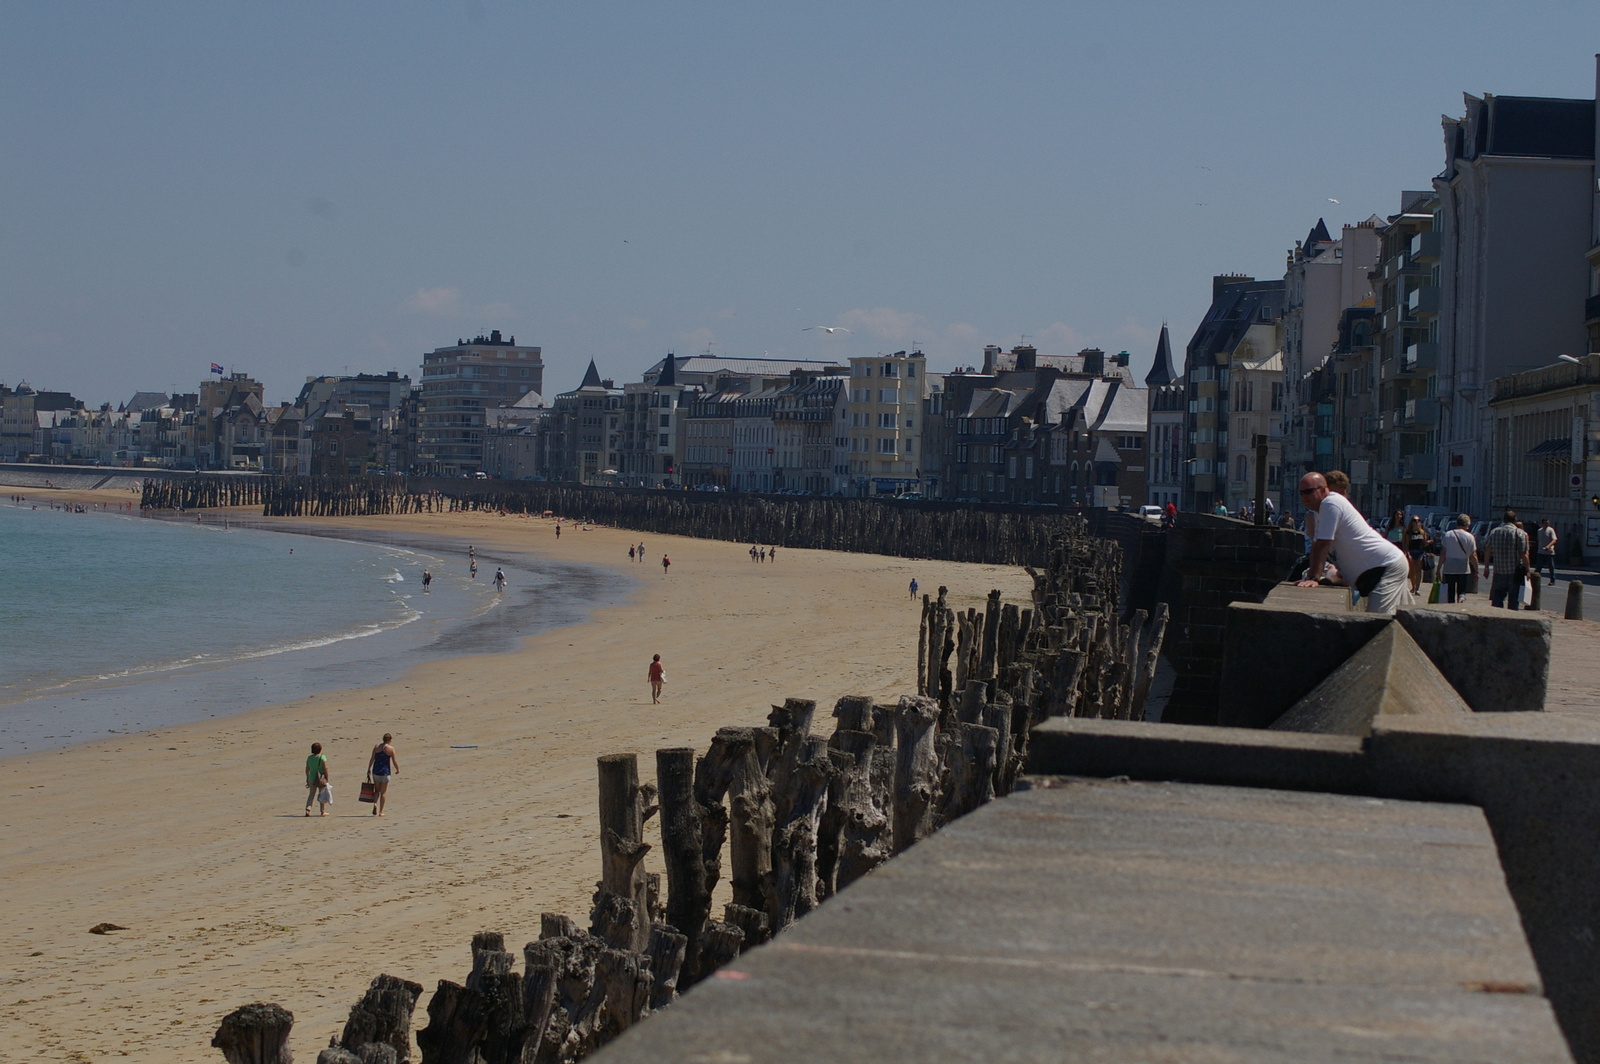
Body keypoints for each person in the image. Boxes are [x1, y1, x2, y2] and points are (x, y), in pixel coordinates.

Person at [1294, 472, 1411, 613]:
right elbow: (1323, 547)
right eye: (1301, 493)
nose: (1304, 497)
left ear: (1324, 489)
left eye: (1308, 492)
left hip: (1386, 567)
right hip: (1379, 568)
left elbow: (1322, 544)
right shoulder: (1319, 512)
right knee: (1403, 623)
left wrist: (1313, 578)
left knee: (1377, 624)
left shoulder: (1330, 503)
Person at [1483, 510, 1531, 611]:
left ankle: (1496, 618)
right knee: (1513, 598)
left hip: (1499, 570)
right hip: (1514, 571)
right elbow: (1523, 554)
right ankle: (1512, 620)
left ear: (1504, 520)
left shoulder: (1494, 531)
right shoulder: (1520, 533)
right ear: (1515, 520)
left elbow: (1487, 549)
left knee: (1498, 596)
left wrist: (1486, 567)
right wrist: (1528, 570)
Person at [1439, 514, 1479, 604]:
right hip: (1463, 566)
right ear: (1467, 524)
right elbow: (1473, 555)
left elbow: (1443, 553)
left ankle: (1451, 605)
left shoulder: (1448, 534)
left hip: (1449, 566)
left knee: (1450, 590)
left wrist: (1438, 568)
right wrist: (1476, 570)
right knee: (1462, 590)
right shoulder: (1470, 537)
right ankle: (1461, 598)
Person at [366, 733, 399, 816]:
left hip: (376, 771)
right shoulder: (391, 749)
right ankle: (381, 812)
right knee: (383, 792)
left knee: (377, 790)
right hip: (385, 772)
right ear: (390, 740)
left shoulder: (376, 747)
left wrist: (368, 769)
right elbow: (394, 761)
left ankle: (375, 803)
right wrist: (397, 769)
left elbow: (372, 758)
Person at [1403, 515, 1432, 595]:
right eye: (1415, 520)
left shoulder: (1422, 532)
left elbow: (1424, 543)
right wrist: (1408, 553)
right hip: (1412, 552)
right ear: (1411, 522)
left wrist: (1428, 543)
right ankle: (1413, 586)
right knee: (1412, 571)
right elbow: (1406, 544)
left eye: (1418, 520)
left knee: (1418, 570)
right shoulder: (1408, 533)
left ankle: (1418, 588)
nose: (1417, 522)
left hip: (1420, 552)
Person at [305, 742, 331, 817]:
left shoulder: (309, 758)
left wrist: (307, 778)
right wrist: (327, 777)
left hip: (311, 778)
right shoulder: (322, 757)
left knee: (311, 794)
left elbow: (307, 769)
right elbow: (325, 768)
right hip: (320, 778)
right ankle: (322, 811)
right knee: (322, 794)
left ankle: (308, 808)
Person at [1537, 518, 1559, 585]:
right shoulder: (1539, 530)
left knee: (1551, 567)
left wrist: (1548, 546)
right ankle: (1536, 580)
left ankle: (1552, 580)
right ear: (1542, 523)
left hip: (1549, 552)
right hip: (1540, 551)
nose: (1547, 524)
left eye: (1548, 523)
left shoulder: (1550, 530)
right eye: (1545, 523)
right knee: (1538, 567)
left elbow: (1554, 540)